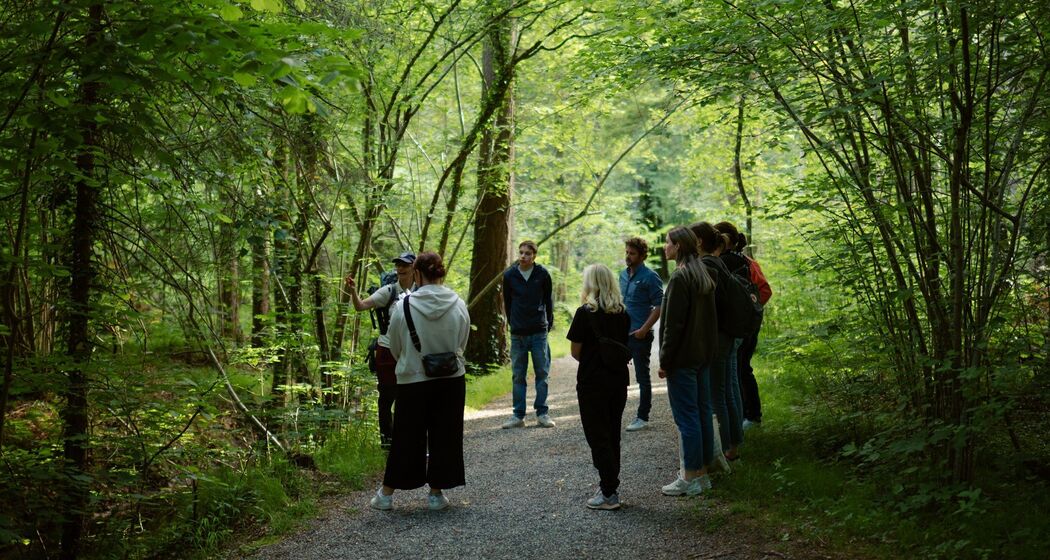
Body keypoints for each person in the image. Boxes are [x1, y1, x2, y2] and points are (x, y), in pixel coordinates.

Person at [369, 252, 470, 512]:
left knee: (406, 437)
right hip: (451, 380)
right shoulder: (458, 304)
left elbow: (395, 346)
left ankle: (386, 495)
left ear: (417, 274)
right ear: (441, 274)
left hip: (413, 381)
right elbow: (462, 342)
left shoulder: (404, 305)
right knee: (445, 435)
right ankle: (437, 494)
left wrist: (412, 363)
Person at [657, 226, 718, 496]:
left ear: (678, 246)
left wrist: (664, 360)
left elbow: (673, 327)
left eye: (668, 242)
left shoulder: (681, 278)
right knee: (702, 412)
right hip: (702, 356)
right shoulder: (702, 272)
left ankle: (691, 476)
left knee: (687, 418)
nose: (664, 247)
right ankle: (702, 474)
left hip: (683, 358)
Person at [567, 264, 631, 510]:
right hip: (618, 380)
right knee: (612, 432)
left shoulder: (585, 313)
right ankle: (609, 484)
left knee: (597, 435)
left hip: (592, 381)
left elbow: (576, 352)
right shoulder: (622, 313)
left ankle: (608, 492)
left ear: (590, 283)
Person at [344, 251, 416, 449]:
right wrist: (353, 292)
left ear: (414, 268)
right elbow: (360, 306)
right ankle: (387, 442)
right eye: (398, 265)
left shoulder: (422, 291)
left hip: (412, 352)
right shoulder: (388, 291)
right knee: (386, 397)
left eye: (405, 265)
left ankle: (407, 440)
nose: (401, 268)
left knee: (409, 397)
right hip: (386, 351)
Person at [691, 222, 744, 467]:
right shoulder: (719, 262)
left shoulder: (706, 266)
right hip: (729, 334)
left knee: (718, 396)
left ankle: (722, 451)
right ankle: (734, 445)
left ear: (699, 242)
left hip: (719, 336)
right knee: (728, 391)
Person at [715, 222, 772, 431]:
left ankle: (752, 415)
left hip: (746, 325)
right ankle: (745, 416)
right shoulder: (741, 261)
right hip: (744, 323)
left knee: (741, 368)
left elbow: (764, 291)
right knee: (739, 368)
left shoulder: (745, 263)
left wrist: (747, 312)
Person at [501, 240, 556, 429]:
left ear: (534, 256)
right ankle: (518, 416)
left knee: (542, 373)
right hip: (518, 334)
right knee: (518, 375)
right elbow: (507, 303)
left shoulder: (542, 274)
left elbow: (548, 301)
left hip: (539, 331)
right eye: (521, 253)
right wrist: (513, 323)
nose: (523, 256)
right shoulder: (509, 275)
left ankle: (542, 413)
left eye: (527, 253)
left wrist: (547, 323)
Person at [619, 237, 663, 432]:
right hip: (621, 335)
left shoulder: (650, 277)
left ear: (643, 255)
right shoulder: (622, 275)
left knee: (642, 377)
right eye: (627, 252)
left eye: (632, 253)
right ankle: (614, 412)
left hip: (640, 335)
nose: (628, 256)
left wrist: (644, 329)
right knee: (617, 375)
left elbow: (660, 306)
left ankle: (642, 417)